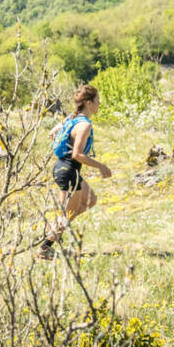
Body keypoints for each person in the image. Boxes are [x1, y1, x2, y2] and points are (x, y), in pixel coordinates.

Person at [38, 85, 111, 258]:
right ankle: (44, 248)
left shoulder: (73, 118)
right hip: (68, 171)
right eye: (97, 100)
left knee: (89, 200)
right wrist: (101, 166)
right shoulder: (84, 125)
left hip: (65, 168)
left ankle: (54, 229)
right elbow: (77, 154)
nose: (99, 104)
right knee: (66, 215)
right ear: (89, 103)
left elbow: (52, 132)